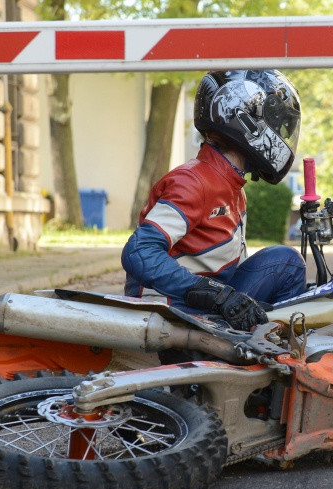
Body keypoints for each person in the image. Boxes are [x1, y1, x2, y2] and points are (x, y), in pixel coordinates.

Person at [121, 70, 306, 337]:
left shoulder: (231, 185)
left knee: (290, 269)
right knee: (286, 263)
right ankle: (277, 356)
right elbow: (139, 252)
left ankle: (267, 345)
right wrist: (216, 296)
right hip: (174, 313)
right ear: (248, 121)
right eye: (276, 122)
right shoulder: (193, 181)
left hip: (202, 305)